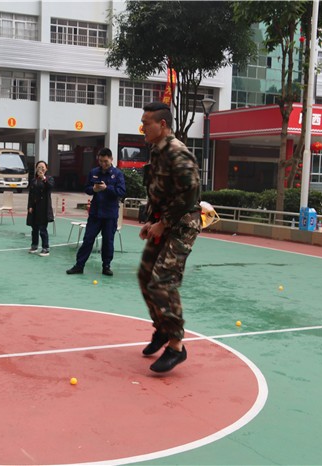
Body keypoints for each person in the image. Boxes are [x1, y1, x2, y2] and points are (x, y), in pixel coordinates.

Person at [138, 101, 202, 373]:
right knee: (145, 275)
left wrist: (163, 224)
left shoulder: (178, 153)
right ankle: (162, 329)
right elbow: (159, 190)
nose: (143, 127)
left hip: (183, 225)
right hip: (163, 223)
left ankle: (176, 346)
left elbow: (189, 193)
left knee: (162, 281)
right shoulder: (157, 151)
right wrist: (153, 221)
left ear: (162, 125)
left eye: (147, 123)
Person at [66, 148, 126, 276]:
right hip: (95, 213)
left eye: (105, 161)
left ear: (111, 159)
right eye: (100, 161)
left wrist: (107, 188)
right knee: (88, 239)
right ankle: (79, 265)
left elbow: (121, 192)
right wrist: (93, 189)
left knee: (108, 241)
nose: (103, 164)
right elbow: (86, 188)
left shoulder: (118, 174)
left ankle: (106, 266)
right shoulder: (94, 172)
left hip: (110, 214)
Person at [26, 160, 54, 256]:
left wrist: (44, 179)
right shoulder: (33, 180)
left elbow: (50, 187)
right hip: (34, 208)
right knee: (34, 229)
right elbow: (31, 194)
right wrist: (29, 206)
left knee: (43, 229)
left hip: (44, 208)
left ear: (46, 169)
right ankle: (34, 246)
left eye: (42, 167)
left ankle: (45, 248)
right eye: (38, 167)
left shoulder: (49, 179)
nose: (40, 169)